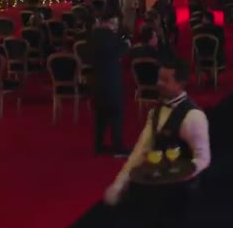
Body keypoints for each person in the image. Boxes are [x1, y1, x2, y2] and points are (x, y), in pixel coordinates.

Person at [103, 58, 211, 227]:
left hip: (182, 196)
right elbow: (140, 151)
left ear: (181, 83)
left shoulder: (193, 117)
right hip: (156, 192)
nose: (159, 83)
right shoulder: (155, 112)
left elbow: (203, 158)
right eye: (159, 78)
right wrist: (119, 184)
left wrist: (178, 176)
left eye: (165, 80)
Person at [89, 13, 131, 157]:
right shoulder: (110, 37)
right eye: (114, 23)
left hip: (97, 79)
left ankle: (99, 145)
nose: (115, 26)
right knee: (116, 113)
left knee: (100, 116)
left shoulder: (92, 36)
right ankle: (117, 147)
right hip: (111, 79)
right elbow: (118, 52)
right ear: (107, 22)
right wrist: (126, 44)